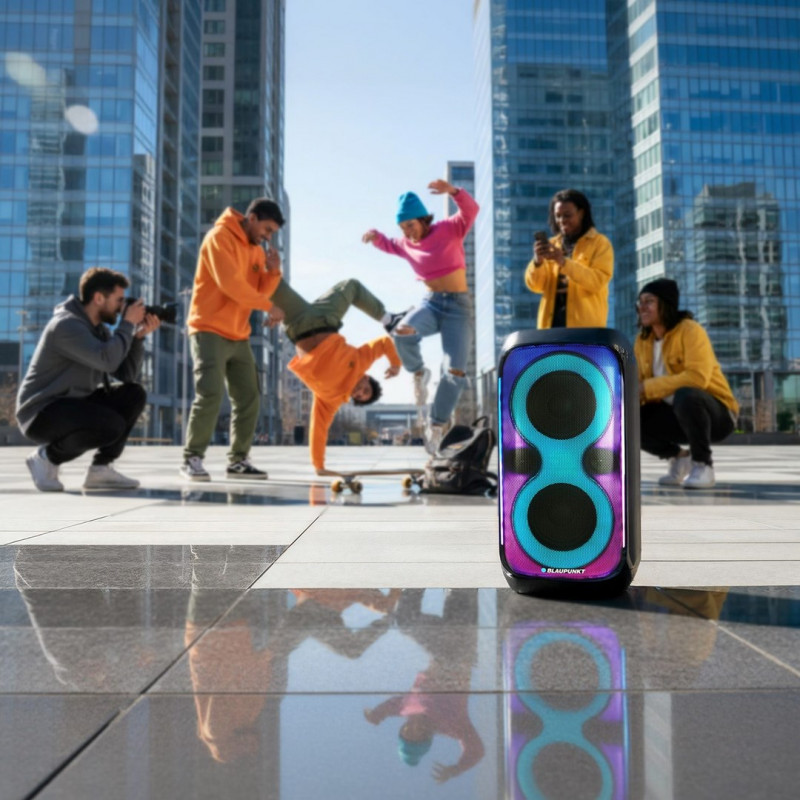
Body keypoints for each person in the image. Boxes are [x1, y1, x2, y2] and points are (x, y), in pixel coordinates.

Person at [16, 267, 160, 492]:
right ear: (99, 298)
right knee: (110, 425)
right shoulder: (66, 325)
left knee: (133, 394)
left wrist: (137, 339)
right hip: (40, 412)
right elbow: (106, 360)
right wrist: (127, 324)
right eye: (119, 300)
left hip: (74, 403)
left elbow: (125, 374)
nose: (122, 307)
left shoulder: (98, 330)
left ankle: (100, 469)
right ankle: (46, 458)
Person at [363, 178, 479, 454]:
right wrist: (375, 236)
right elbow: (388, 244)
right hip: (431, 304)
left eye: (411, 225)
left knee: (455, 371)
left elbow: (471, 211)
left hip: (459, 309)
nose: (408, 232)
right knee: (402, 331)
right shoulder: (405, 243)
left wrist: (453, 192)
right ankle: (419, 372)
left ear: (424, 220)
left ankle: (436, 424)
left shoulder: (449, 228)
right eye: (403, 227)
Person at [181, 197, 285, 482]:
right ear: (252, 218)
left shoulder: (256, 251)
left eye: (272, 233)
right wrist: (269, 307)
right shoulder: (219, 237)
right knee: (210, 394)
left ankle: (238, 460)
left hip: (238, 334)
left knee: (249, 397)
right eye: (267, 229)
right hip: (208, 328)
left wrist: (273, 271)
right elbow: (230, 285)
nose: (268, 237)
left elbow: (259, 292)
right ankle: (192, 458)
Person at [266, 278, 403, 474]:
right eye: (365, 390)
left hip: (297, 323)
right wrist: (396, 363)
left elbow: (318, 429)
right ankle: (389, 318)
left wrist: (319, 466)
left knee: (269, 283)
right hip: (325, 319)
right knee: (351, 286)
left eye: (359, 397)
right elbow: (384, 343)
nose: (359, 392)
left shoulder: (331, 400)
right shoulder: (362, 361)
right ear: (366, 378)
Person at [636, 278, 739, 489]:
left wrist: (647, 387)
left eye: (649, 301)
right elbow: (638, 385)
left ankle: (703, 465)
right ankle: (679, 457)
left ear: (665, 304)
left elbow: (697, 378)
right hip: (675, 416)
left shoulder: (690, 330)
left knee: (687, 394)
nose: (642, 307)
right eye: (640, 302)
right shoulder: (642, 341)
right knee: (627, 417)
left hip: (717, 416)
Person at [525, 188, 613, 329]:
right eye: (558, 216)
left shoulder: (600, 243)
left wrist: (564, 262)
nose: (562, 220)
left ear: (581, 213)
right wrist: (538, 262)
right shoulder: (552, 245)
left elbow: (597, 281)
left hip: (585, 331)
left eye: (567, 215)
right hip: (550, 330)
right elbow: (535, 286)